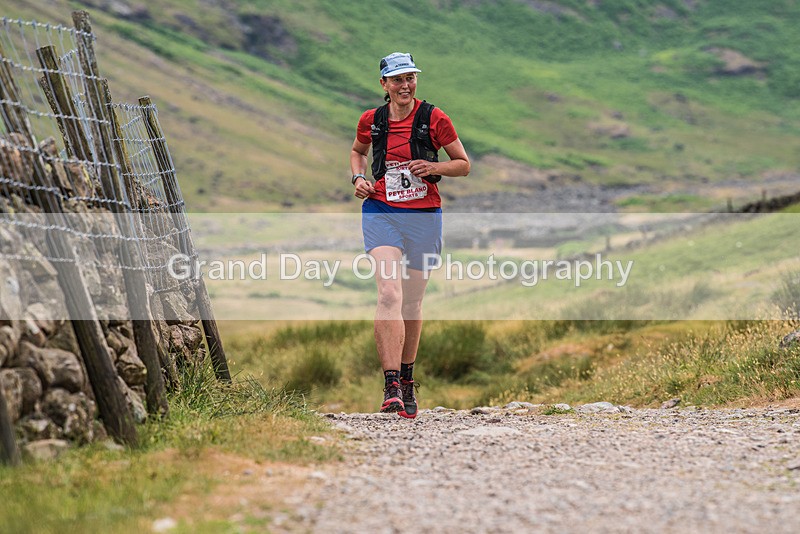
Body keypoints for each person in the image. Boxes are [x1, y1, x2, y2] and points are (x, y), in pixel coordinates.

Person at [350, 52, 470, 418]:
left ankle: (406, 379)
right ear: (384, 84)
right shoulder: (371, 120)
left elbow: (463, 164)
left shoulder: (434, 117)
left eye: (411, 78)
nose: (405, 85)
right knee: (389, 292)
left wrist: (433, 166)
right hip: (381, 211)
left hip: (424, 216)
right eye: (398, 79)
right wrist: (358, 178)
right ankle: (390, 387)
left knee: (412, 302)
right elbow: (358, 153)